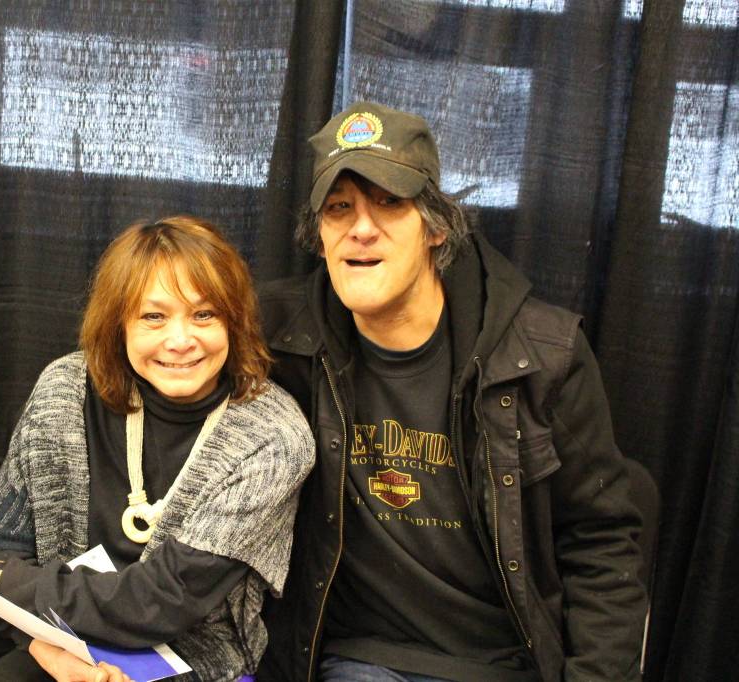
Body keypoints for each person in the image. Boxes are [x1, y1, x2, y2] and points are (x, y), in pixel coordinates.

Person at [256, 102, 647, 682]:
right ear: (319, 239)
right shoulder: (277, 336)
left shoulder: (541, 354)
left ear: (437, 228)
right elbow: (150, 349)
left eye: (389, 202)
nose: (362, 227)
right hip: (354, 657)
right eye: (339, 209)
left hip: (501, 662)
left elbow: (602, 539)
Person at [0, 216, 315, 681]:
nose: (180, 341)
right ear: (118, 322)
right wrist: (48, 649)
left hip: (188, 657)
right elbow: (7, 545)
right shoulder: (63, 389)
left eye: (205, 314)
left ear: (235, 320)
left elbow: (161, 601)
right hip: (45, 632)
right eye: (153, 317)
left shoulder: (274, 438)